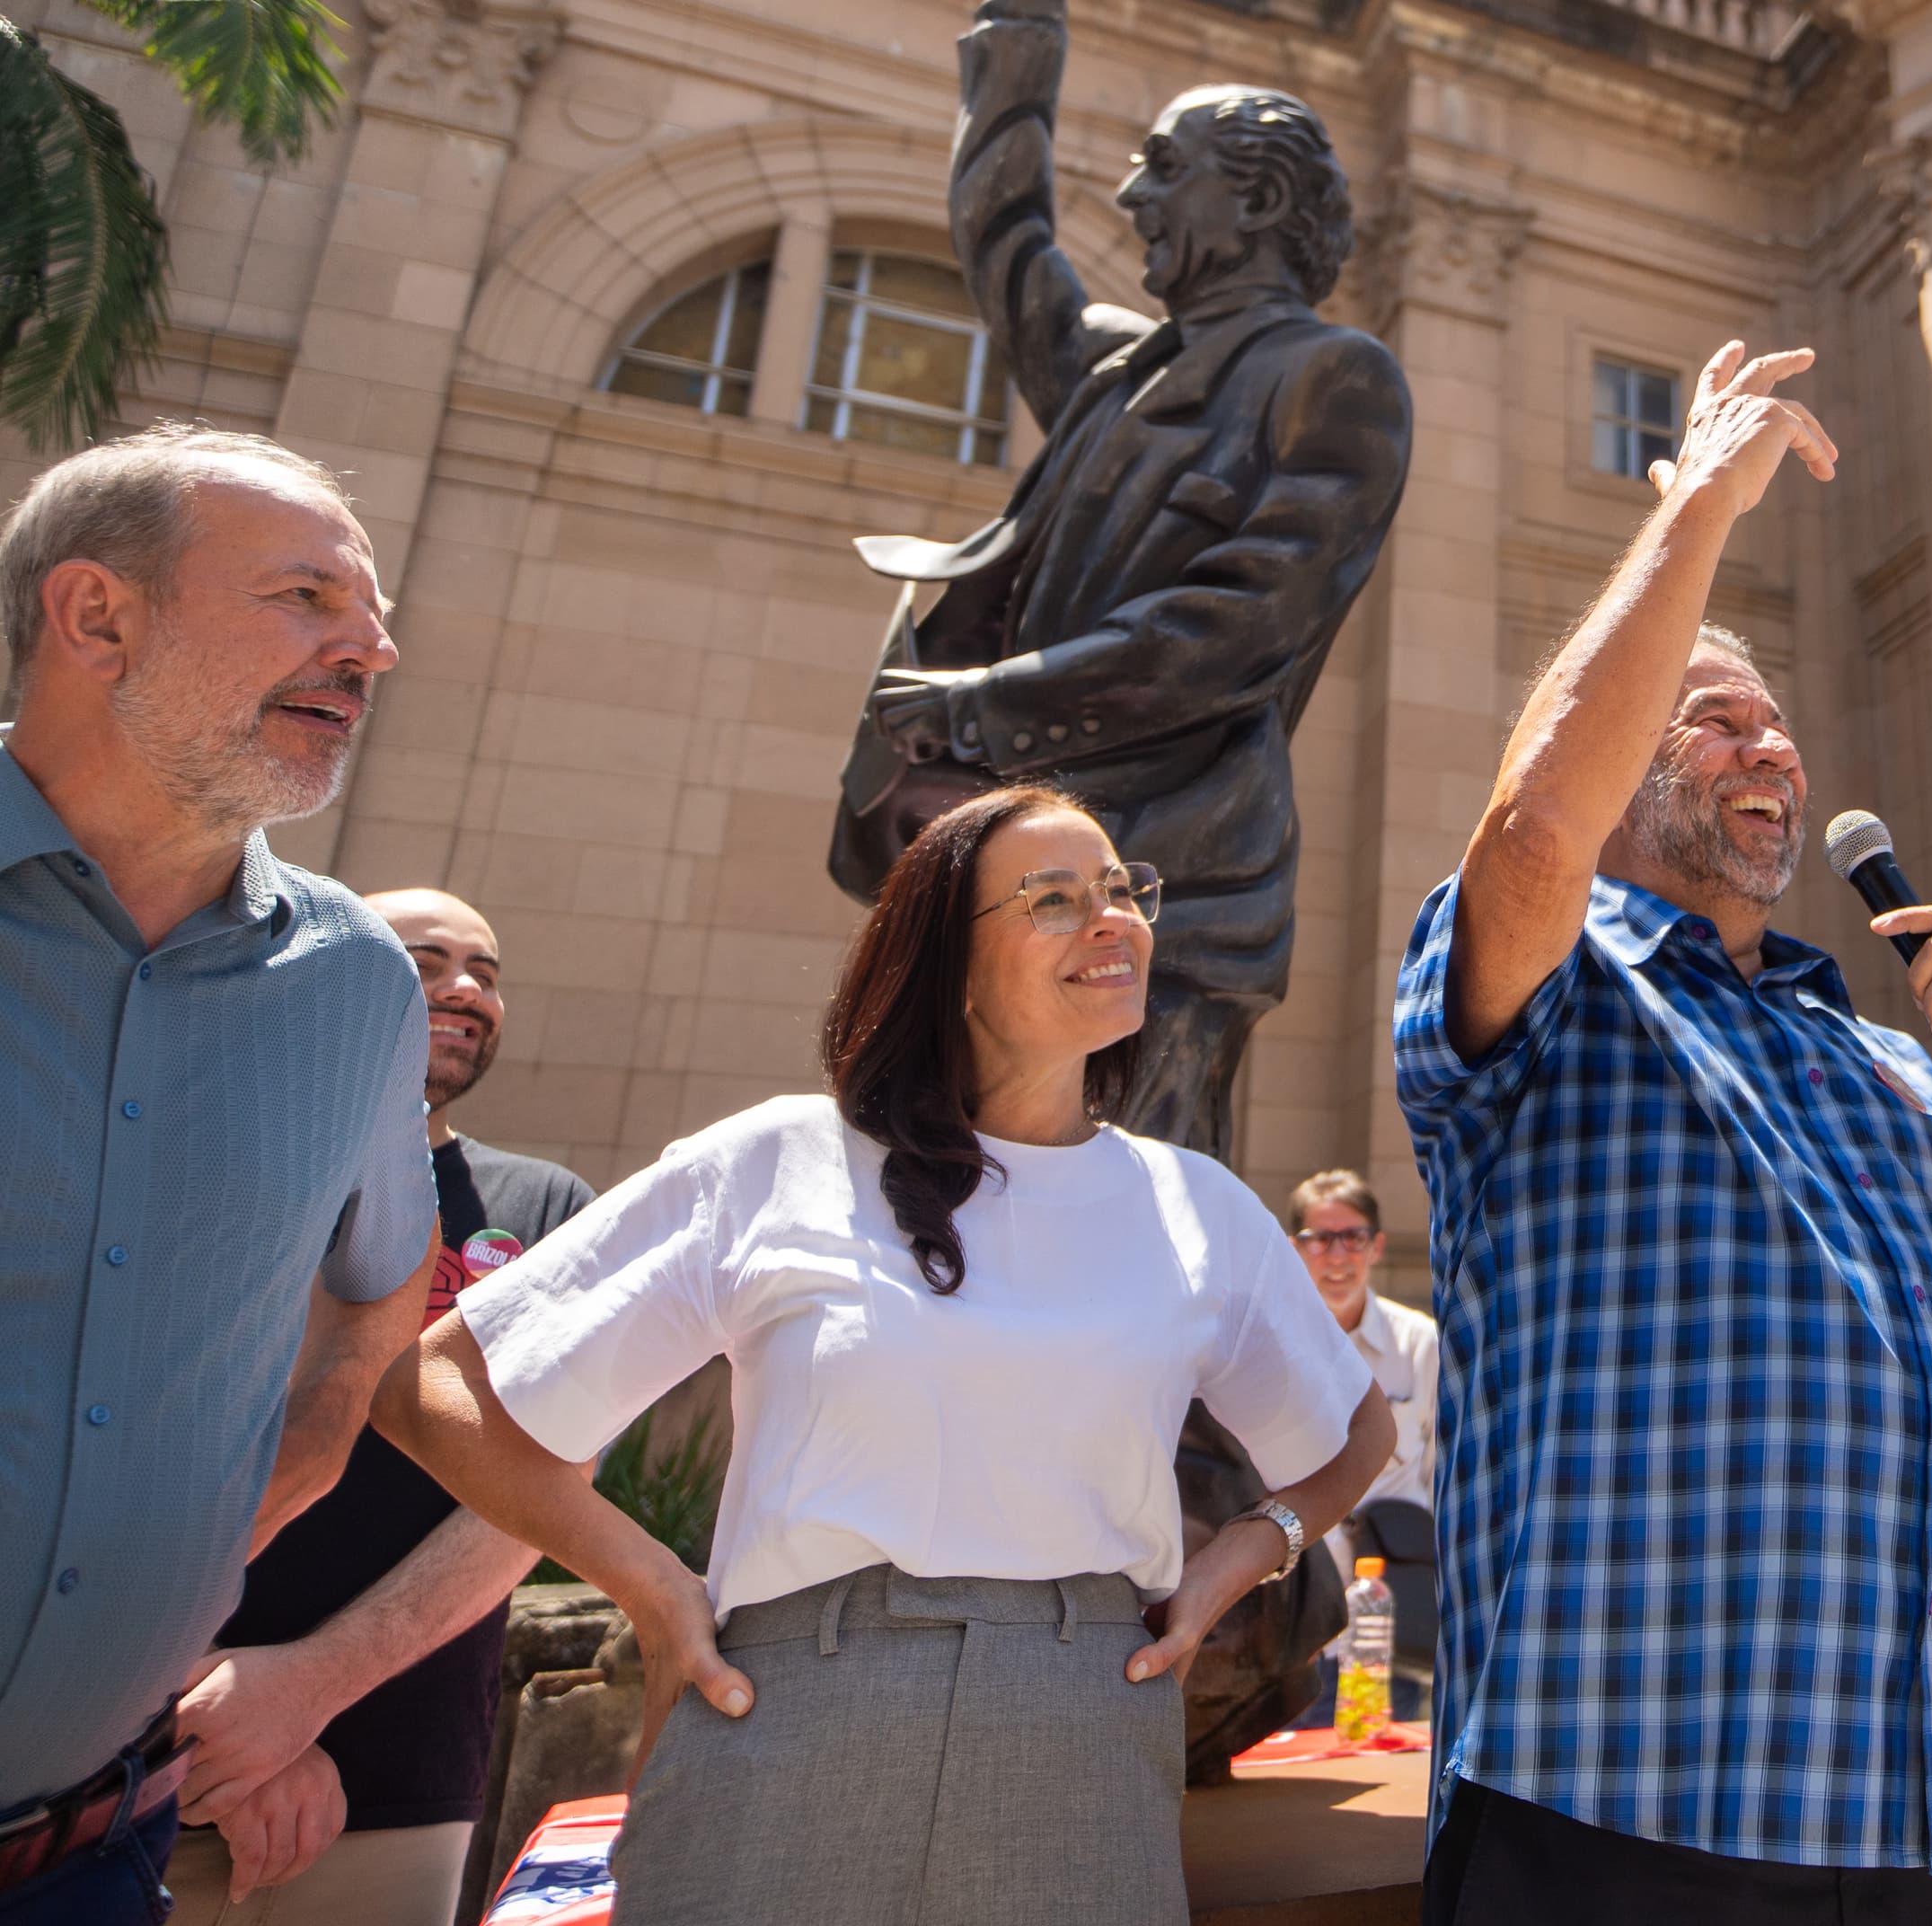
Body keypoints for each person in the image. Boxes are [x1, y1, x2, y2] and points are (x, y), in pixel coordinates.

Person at [368, 787, 1393, 1925]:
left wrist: (1254, 1548)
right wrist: (654, 1588)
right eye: (1054, 899)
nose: (1113, 920)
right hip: (792, 1703)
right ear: (948, 962)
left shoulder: (1194, 1204)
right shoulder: (777, 1159)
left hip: (1087, 1724)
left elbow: (1356, 1432)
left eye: (1120, 889)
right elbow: (438, 1387)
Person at [1394, 339, 1932, 1924]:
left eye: (1780, 728)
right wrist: (1704, 509)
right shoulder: (1555, 994)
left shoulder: (1885, 1060)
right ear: (1635, 760)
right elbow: (1533, 831)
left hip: (1902, 1810)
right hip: (1621, 1806)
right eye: (1717, 722)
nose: (1773, 748)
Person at [830, 0, 1410, 1164]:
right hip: (998, 880)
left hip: (1174, 892)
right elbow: (1003, 235)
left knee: (1138, 1254)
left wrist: (984, 702)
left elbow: (1238, 624)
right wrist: (1032, 11)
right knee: (948, 1211)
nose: (1131, 195)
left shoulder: (1335, 378)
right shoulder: (1108, 365)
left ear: (1255, 199)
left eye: (1164, 168)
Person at [0, 427, 435, 1926]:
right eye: (307, 597)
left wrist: (204, 1534)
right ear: (98, 616)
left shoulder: (360, 985)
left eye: (367, 614)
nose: (370, 648)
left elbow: (376, 1322)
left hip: (89, 1857)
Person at [161, 889, 595, 1925]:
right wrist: (188, 1708)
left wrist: (304, 1688)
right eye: (427, 958)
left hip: (406, 1773)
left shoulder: (548, 1212)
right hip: (131, 1754)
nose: (466, 989)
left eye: (486, 972)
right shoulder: (196, 1163)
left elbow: (538, 1494)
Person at [1283, 1169, 1442, 1533]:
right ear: (1294, 1249)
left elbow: (1441, 1476)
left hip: (1394, 1573)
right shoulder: (1270, 1344)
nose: (1338, 1257)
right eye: (1320, 1239)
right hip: (1297, 1572)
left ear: (1376, 1246)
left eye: (1353, 1237)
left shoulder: (1421, 1343)